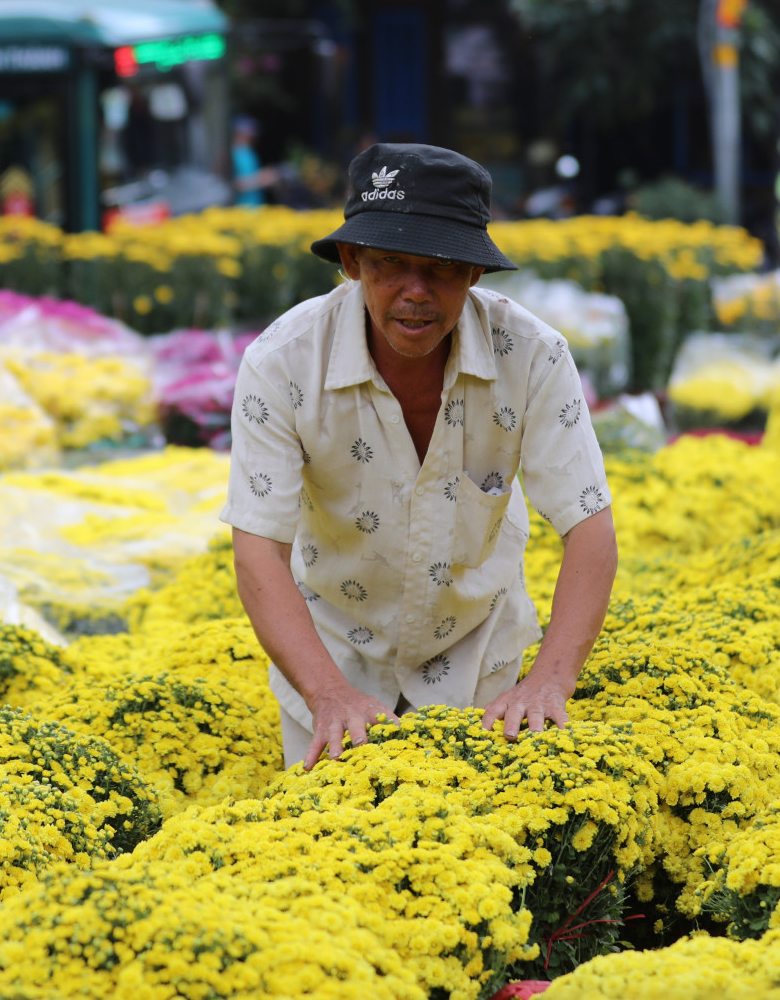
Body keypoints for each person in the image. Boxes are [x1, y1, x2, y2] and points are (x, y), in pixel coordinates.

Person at [221, 143, 620, 770]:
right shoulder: (283, 362)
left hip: (483, 668)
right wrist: (328, 695)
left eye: (440, 268)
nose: (414, 292)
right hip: (332, 663)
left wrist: (548, 684)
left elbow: (591, 528)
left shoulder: (533, 358)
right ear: (352, 262)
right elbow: (257, 550)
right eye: (390, 264)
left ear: (475, 274)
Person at [230, 116, 276, 207]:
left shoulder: (249, 152)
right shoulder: (233, 154)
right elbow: (233, 184)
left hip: (256, 207)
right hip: (241, 209)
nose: (253, 138)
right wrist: (262, 179)